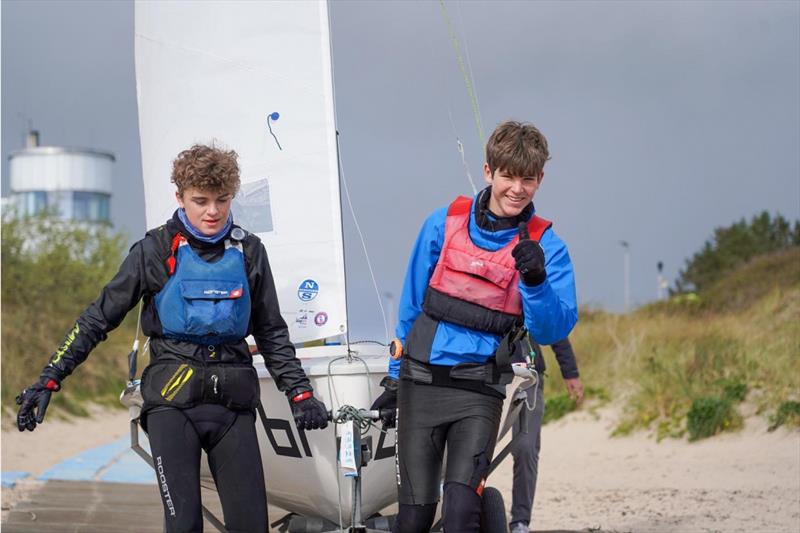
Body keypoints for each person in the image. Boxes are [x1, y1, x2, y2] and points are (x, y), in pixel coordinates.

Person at [15, 144, 330, 532]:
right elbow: (98, 318)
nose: (212, 211)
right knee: (184, 526)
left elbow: (270, 330)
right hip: (172, 404)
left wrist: (299, 392)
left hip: (233, 405)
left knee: (251, 526)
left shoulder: (249, 250)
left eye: (222, 200)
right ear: (179, 196)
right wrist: (50, 376)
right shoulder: (155, 249)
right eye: (201, 201)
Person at [371, 120, 578, 532]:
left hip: (479, 393)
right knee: (414, 519)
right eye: (508, 176)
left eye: (528, 179)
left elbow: (552, 330)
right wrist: (395, 380)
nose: (517, 188)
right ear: (488, 171)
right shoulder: (443, 222)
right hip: (421, 382)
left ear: (540, 179)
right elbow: (411, 305)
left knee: (463, 515)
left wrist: (535, 281)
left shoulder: (547, 246)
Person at [509, 336, 583, 533]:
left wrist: (570, 372)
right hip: (483, 374)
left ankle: (520, 521)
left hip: (528, 377)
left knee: (525, 447)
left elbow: (552, 322)